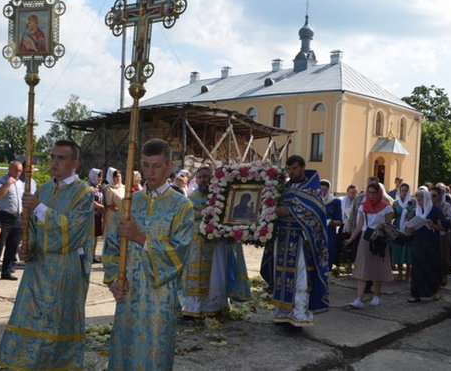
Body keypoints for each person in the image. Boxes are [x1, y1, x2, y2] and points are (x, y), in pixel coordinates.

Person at [0, 139, 95, 370]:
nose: (55, 162)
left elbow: (73, 232)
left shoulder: (84, 193)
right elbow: (31, 227)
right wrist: (26, 246)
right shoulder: (45, 188)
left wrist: (39, 207)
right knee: (32, 320)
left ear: (75, 162)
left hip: (64, 270)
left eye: (61, 158)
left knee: (57, 325)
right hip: (37, 269)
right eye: (52, 157)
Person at [103, 139, 194, 370]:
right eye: (145, 165)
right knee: (124, 351)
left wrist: (141, 238)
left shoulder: (181, 206)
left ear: (169, 166)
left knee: (154, 355)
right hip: (128, 291)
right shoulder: (129, 203)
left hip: (160, 297)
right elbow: (111, 246)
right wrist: (114, 280)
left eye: (156, 165)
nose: (150, 172)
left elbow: (179, 254)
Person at [265, 155, 329, 326]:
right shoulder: (284, 188)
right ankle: (283, 312)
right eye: (289, 169)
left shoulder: (312, 188)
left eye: (294, 168)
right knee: (281, 273)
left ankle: (299, 313)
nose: (291, 172)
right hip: (282, 237)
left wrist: (290, 211)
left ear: (302, 167)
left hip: (301, 239)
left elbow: (316, 212)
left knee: (300, 276)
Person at [182, 166, 251, 318]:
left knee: (217, 273)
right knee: (197, 274)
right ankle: (194, 308)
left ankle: (216, 306)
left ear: (212, 178)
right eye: (200, 177)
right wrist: (204, 214)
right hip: (198, 243)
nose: (202, 180)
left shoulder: (221, 197)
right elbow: (187, 217)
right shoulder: (191, 197)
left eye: (205, 177)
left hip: (217, 244)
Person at [346, 182, 394, 308]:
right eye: (369, 193)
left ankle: (376, 295)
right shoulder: (363, 206)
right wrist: (351, 239)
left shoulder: (387, 208)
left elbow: (390, 226)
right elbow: (359, 225)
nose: (372, 195)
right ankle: (359, 299)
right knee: (362, 268)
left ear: (379, 193)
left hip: (379, 239)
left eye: (374, 193)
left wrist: (383, 225)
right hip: (365, 237)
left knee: (377, 268)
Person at [0, 161, 35, 283]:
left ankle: (6, 271)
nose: (19, 173)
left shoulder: (21, 183)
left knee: (12, 246)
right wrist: (8, 183)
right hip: (3, 216)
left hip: (17, 216)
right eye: (17, 170)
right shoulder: (0, 180)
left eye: (20, 171)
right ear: (10, 169)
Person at [407, 189, 449, 302]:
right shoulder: (415, 211)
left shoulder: (435, 210)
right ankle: (416, 294)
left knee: (432, 267)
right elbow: (409, 229)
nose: (419, 201)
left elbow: (445, 227)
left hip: (432, 242)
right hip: (418, 242)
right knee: (416, 268)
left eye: (421, 198)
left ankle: (435, 291)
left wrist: (433, 225)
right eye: (417, 198)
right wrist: (410, 229)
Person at [390, 183, 414, 281]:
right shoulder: (396, 203)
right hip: (398, 228)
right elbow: (393, 215)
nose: (403, 192)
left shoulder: (413, 202)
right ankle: (399, 273)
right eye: (402, 190)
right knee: (397, 251)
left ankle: (408, 272)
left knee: (408, 251)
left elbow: (414, 213)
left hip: (408, 229)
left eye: (405, 190)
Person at [320, 179, 342, 271]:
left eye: (325, 190)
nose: (323, 192)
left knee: (328, 250)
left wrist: (330, 222)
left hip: (329, 231)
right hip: (318, 230)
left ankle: (327, 270)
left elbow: (339, 221)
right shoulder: (315, 200)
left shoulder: (335, 202)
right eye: (321, 190)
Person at [89, 168, 105, 263]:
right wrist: (101, 207)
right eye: (98, 176)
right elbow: (91, 201)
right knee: (91, 236)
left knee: (96, 236)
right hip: (91, 215)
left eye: (100, 176)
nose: (99, 178)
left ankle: (93, 255)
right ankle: (89, 254)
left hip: (98, 215)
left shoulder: (99, 187)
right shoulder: (89, 187)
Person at [103, 167, 125, 234]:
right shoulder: (108, 188)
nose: (118, 178)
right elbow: (109, 204)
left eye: (119, 176)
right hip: (113, 217)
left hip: (123, 217)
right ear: (112, 178)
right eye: (116, 177)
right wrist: (119, 212)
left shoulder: (124, 187)